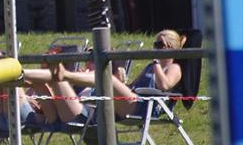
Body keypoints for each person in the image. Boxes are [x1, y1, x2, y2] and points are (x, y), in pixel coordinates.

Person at [22, 29, 186, 123]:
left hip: (145, 106)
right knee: (109, 80)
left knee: (109, 79)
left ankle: (65, 75)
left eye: (160, 45)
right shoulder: (151, 66)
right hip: (133, 100)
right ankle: (23, 73)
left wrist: (156, 63)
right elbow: (133, 86)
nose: (155, 48)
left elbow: (165, 85)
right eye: (155, 44)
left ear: (172, 47)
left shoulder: (175, 67)